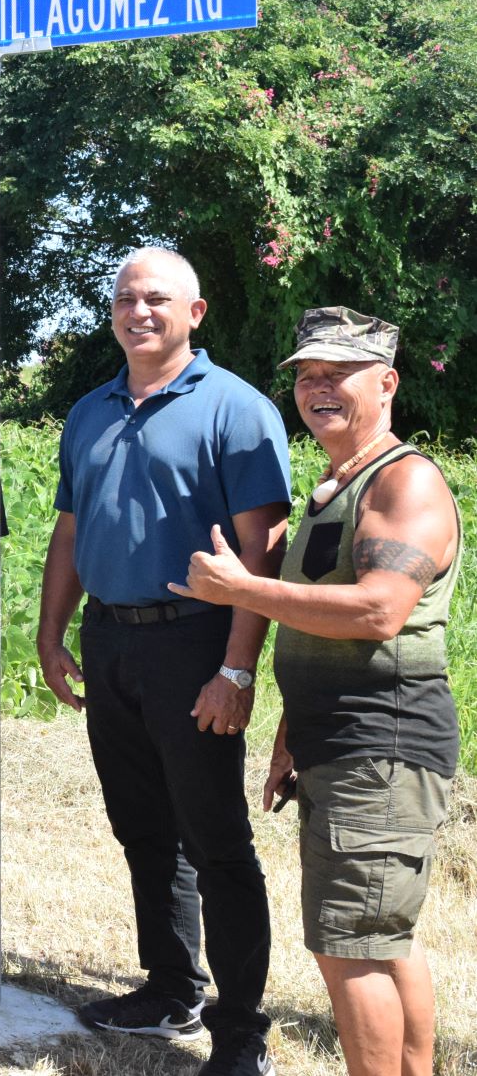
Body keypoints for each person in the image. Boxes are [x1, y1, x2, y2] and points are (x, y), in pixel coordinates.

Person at [170, 306, 462, 1076]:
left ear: (387, 382)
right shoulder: (338, 484)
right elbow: (318, 631)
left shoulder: (403, 482)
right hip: (341, 741)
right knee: (378, 937)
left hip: (383, 744)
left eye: (338, 374)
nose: (317, 388)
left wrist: (242, 587)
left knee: (349, 948)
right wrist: (289, 737)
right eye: (306, 375)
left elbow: (377, 610)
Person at [36, 247, 291, 1076]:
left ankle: (239, 1029)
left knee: (215, 838)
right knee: (142, 830)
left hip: (196, 643)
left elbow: (263, 554)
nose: (136, 312)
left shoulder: (236, 410)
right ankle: (169, 986)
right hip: (112, 639)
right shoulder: (89, 411)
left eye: (155, 299)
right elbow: (69, 533)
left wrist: (237, 669)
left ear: (195, 313)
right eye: (123, 299)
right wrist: (51, 633)